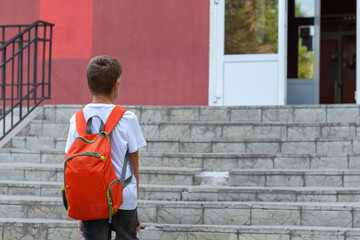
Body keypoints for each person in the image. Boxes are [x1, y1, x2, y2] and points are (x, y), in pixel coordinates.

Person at [65, 55, 147, 240]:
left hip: (90, 199)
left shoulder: (76, 120)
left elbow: (73, 165)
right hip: (124, 196)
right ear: (116, 84)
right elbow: (134, 167)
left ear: (89, 84)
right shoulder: (127, 118)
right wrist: (133, 204)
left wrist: (81, 207)